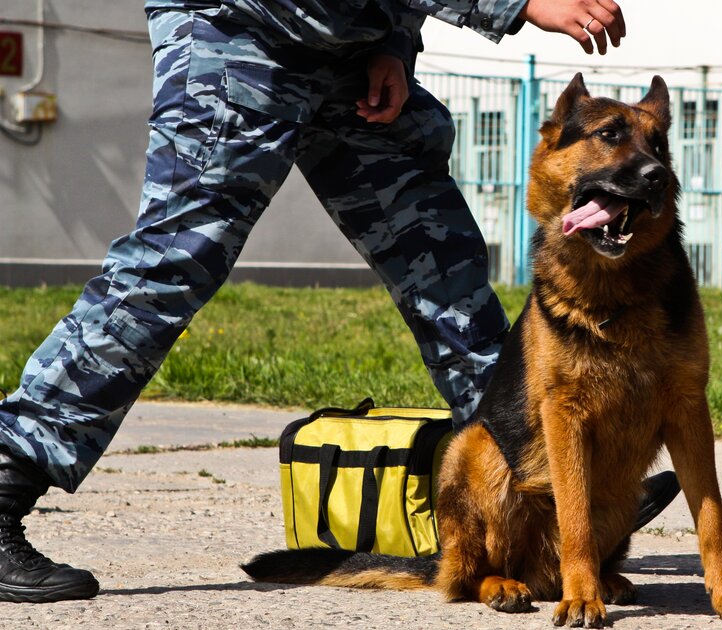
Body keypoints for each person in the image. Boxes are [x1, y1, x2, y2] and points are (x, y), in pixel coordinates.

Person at [0, 0, 681, 605]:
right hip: (237, 26)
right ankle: (6, 480)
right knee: (172, 264)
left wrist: (392, 41)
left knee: (442, 259)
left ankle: (544, 491)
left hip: (349, 53)